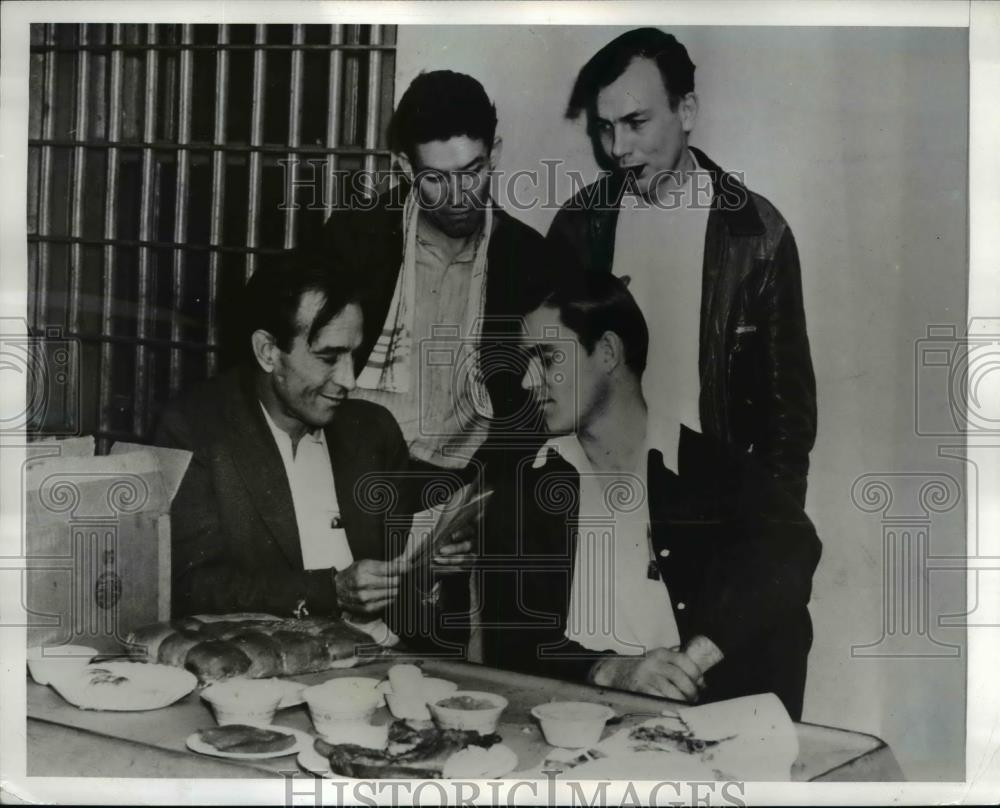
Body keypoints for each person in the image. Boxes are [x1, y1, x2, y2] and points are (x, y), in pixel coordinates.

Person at [473, 271, 821, 719]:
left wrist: (693, 660)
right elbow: (510, 642)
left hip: (692, 741)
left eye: (545, 356)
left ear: (609, 352)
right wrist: (609, 670)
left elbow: (793, 548)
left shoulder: (713, 472)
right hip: (564, 730)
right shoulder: (527, 484)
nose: (526, 382)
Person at [548, 28, 817, 506]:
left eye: (636, 122)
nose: (617, 149)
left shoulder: (758, 235)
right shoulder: (577, 226)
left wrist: (775, 539)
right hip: (602, 493)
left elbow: (788, 419)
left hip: (715, 506)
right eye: (606, 127)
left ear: (686, 111)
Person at [154, 254, 471, 620]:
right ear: (268, 351)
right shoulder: (194, 429)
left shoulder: (372, 431)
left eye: (355, 355)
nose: (349, 380)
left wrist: (430, 569)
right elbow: (190, 585)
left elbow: (397, 580)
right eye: (329, 357)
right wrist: (329, 591)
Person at [314, 69, 549, 477]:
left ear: (494, 155)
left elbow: (535, 407)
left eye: (471, 172)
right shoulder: (355, 239)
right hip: (348, 467)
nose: (458, 196)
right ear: (406, 167)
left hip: (466, 479)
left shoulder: (528, 258)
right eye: (436, 178)